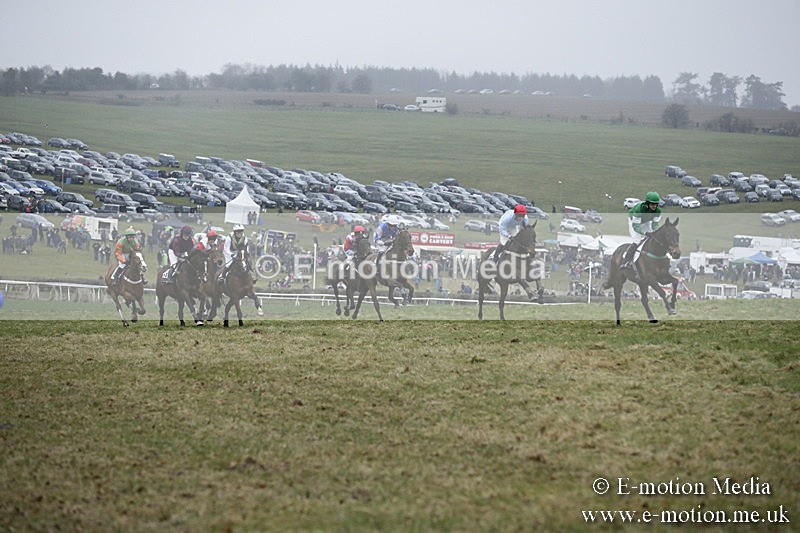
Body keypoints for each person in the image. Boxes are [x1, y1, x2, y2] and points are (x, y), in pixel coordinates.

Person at [621, 192, 663, 273]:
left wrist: (655, 231)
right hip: (634, 222)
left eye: (656, 204)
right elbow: (636, 226)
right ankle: (626, 261)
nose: (654, 206)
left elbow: (655, 224)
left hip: (646, 221)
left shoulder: (658, 211)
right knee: (637, 241)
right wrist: (645, 232)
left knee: (653, 238)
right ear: (647, 203)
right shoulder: (639, 209)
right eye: (652, 204)